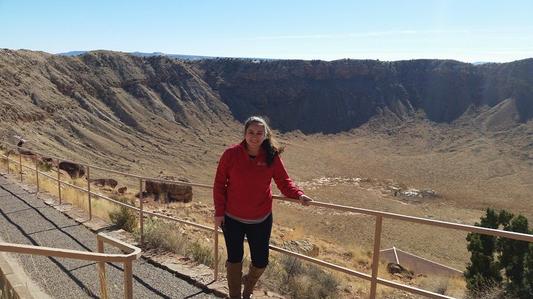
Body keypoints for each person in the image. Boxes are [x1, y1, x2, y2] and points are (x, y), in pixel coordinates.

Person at [213, 116, 313, 299]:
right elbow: (220, 184)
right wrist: (219, 213)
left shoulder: (271, 156)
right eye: (251, 132)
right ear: (244, 133)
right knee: (234, 258)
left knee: (261, 261)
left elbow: (284, 182)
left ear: (265, 135)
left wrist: (299, 195)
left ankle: (248, 287)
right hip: (232, 218)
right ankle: (236, 296)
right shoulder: (231, 154)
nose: (255, 136)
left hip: (261, 218)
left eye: (259, 133)